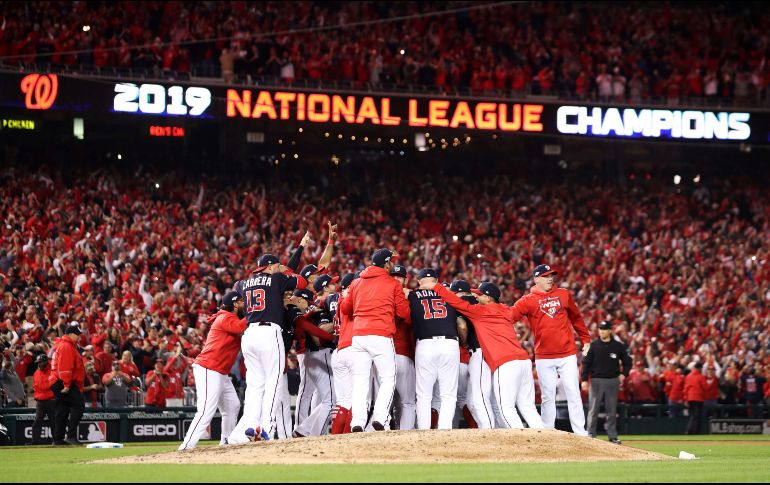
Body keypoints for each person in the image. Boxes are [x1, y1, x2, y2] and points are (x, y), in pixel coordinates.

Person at [426, 281, 544, 430]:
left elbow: (456, 303)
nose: (476, 296)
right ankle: (545, 440)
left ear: (489, 298)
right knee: (527, 407)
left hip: (506, 363)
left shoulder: (480, 311)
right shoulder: (506, 310)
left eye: (480, 295)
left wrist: (437, 287)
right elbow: (519, 309)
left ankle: (521, 443)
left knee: (505, 408)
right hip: (524, 361)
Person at [228, 253, 307, 444]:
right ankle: (267, 429)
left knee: (255, 385)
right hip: (269, 333)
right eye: (277, 266)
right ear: (270, 267)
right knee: (274, 382)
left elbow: (236, 288)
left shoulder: (242, 283)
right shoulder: (278, 279)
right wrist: (284, 272)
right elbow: (302, 283)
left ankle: (252, 426)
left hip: (249, 335)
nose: (280, 269)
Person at [510, 264, 590, 436]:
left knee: (574, 393)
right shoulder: (527, 300)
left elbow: (576, 318)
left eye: (551, 275)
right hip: (543, 356)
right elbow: (509, 317)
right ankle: (548, 432)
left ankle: (580, 432)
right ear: (536, 279)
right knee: (547, 397)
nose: (550, 278)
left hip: (567, 353)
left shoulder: (563, 294)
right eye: (546, 276)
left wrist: (586, 339)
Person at [340, 248, 410, 432]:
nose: (393, 265)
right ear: (386, 263)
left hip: (359, 337)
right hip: (381, 335)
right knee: (387, 378)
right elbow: (404, 312)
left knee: (360, 380)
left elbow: (346, 309)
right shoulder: (392, 284)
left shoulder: (356, 283)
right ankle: (380, 417)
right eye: (391, 262)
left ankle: (357, 421)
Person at [178, 291, 246, 450]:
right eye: (242, 302)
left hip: (220, 372)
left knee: (233, 406)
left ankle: (226, 441)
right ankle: (187, 446)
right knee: (206, 410)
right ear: (235, 304)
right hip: (209, 369)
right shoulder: (225, 317)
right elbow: (239, 327)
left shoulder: (227, 316)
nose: (244, 305)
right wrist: (255, 311)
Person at [408, 268, 465, 430]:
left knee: (424, 395)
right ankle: (444, 430)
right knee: (448, 394)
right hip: (449, 344)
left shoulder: (412, 295)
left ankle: (424, 431)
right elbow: (461, 325)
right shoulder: (449, 295)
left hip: (425, 344)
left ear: (419, 282)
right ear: (437, 280)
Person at [581, 321, 631, 444]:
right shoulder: (594, 346)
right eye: (601, 329)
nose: (602, 331)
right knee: (593, 409)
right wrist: (583, 380)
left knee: (611, 410)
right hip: (596, 380)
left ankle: (612, 436)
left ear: (610, 331)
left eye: (605, 329)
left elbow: (628, 361)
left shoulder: (618, 346)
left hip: (612, 381)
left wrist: (624, 374)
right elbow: (586, 364)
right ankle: (590, 434)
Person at [330, 272, 359, 434]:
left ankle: (335, 438)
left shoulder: (338, 299)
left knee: (343, 400)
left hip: (339, 350)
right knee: (359, 399)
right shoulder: (353, 297)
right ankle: (348, 440)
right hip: (354, 348)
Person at [390, 264, 416, 431]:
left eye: (400, 277)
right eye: (394, 276)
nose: (397, 279)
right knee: (405, 402)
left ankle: (403, 439)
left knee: (402, 403)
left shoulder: (412, 296)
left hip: (404, 353)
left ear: (405, 279)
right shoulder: (406, 296)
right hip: (389, 353)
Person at [50, 324, 86, 446]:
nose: (79, 337)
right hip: (63, 382)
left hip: (57, 381)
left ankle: (58, 439)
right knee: (79, 405)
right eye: (78, 335)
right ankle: (70, 436)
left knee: (62, 410)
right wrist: (66, 385)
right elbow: (65, 367)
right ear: (70, 334)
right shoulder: (66, 346)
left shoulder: (65, 345)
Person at [30, 354, 55, 444]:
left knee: (54, 421)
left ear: (45, 362)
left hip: (51, 400)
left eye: (40, 362)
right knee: (37, 421)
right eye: (38, 362)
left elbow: (50, 385)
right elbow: (35, 385)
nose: (39, 364)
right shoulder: (36, 372)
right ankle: (35, 442)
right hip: (40, 401)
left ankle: (57, 440)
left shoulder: (52, 371)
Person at [684, 362, 707, 434]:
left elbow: (685, 389)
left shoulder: (688, 376)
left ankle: (690, 431)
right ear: (699, 368)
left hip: (690, 398)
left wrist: (685, 399)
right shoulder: (701, 377)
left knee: (693, 416)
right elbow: (705, 387)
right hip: (698, 398)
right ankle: (692, 431)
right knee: (696, 416)